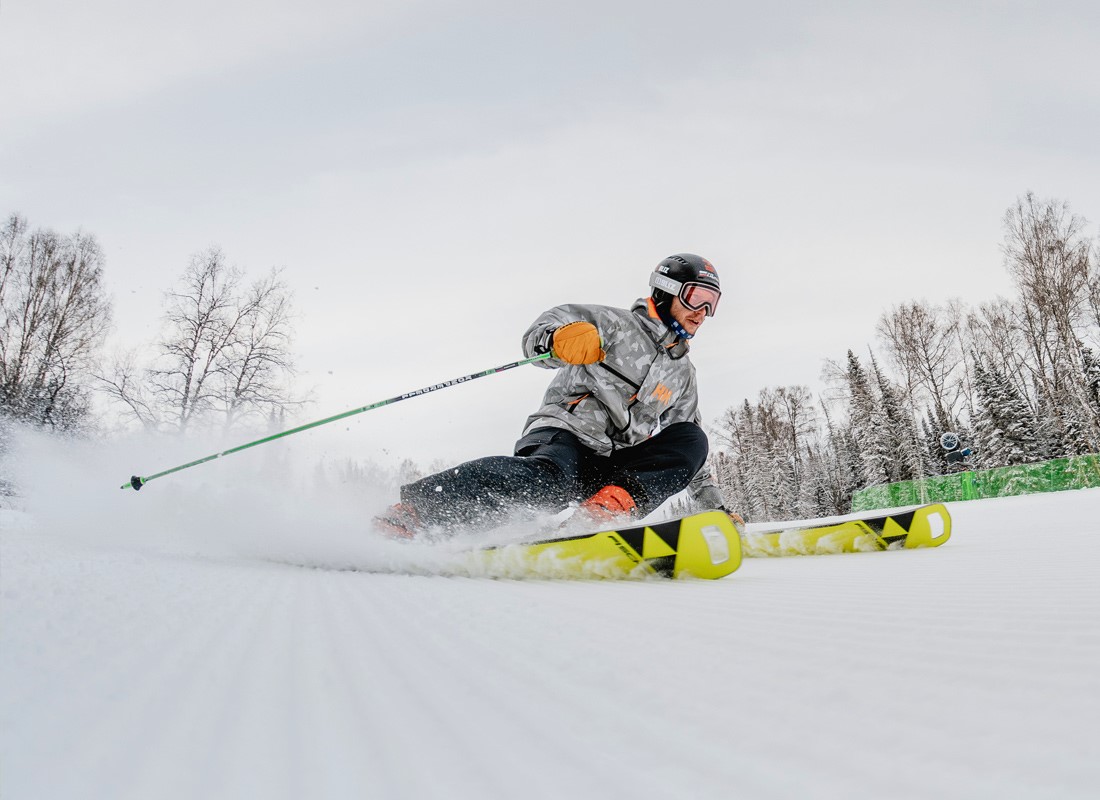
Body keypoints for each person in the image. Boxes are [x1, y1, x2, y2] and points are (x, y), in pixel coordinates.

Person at [375, 253, 741, 538]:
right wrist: (557, 340)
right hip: (566, 438)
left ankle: (604, 511)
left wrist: (716, 510)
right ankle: (416, 512)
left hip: (614, 465)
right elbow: (540, 331)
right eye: (697, 298)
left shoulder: (682, 374)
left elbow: (688, 454)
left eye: (713, 303)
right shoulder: (613, 324)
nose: (703, 313)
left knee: (693, 438)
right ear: (666, 290)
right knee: (547, 483)